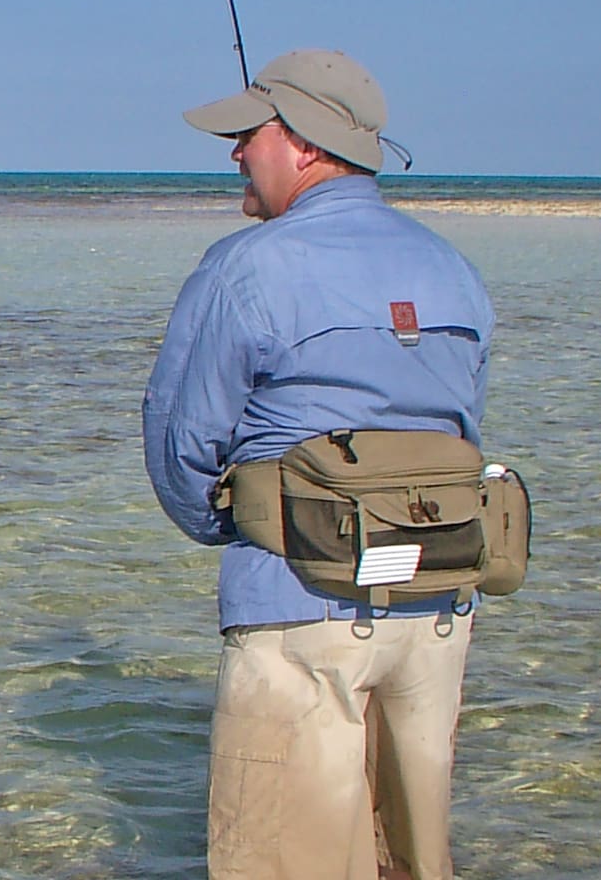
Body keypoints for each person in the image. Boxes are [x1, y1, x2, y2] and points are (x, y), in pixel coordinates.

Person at [142, 49, 496, 879]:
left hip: (297, 603)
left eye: (248, 134)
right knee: (413, 862)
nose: (234, 152)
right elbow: (461, 426)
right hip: (439, 615)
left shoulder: (244, 266)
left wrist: (241, 530)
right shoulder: (454, 268)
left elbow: (180, 445)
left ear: (301, 143)